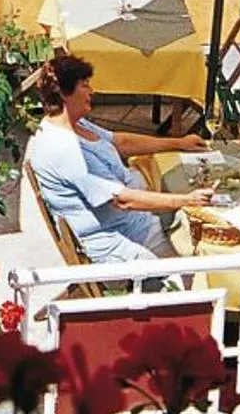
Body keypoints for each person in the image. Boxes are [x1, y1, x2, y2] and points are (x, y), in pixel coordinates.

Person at [24, 53, 211, 266]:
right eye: (85, 86)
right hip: (118, 239)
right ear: (65, 94)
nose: (91, 91)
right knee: (200, 258)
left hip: (134, 219)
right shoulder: (66, 151)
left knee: (188, 192)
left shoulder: (72, 124)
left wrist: (179, 142)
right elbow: (123, 200)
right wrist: (187, 200)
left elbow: (121, 143)